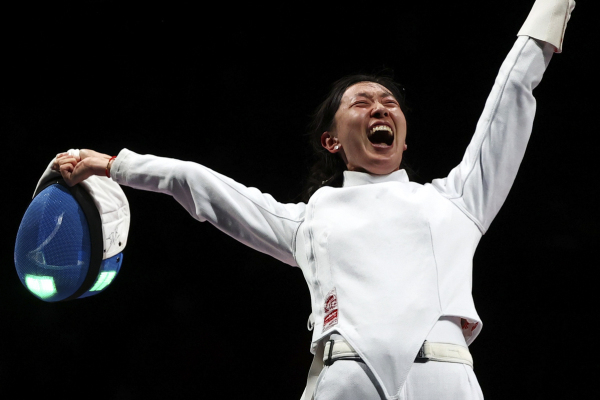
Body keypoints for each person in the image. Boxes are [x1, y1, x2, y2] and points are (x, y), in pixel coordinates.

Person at [51, 1, 575, 398]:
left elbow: (509, 99)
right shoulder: (309, 221)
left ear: (405, 136)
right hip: (345, 377)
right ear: (332, 140)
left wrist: (553, 5)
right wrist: (117, 164)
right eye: (362, 102)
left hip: (441, 374)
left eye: (389, 102)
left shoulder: (457, 201)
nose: (380, 107)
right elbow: (203, 186)